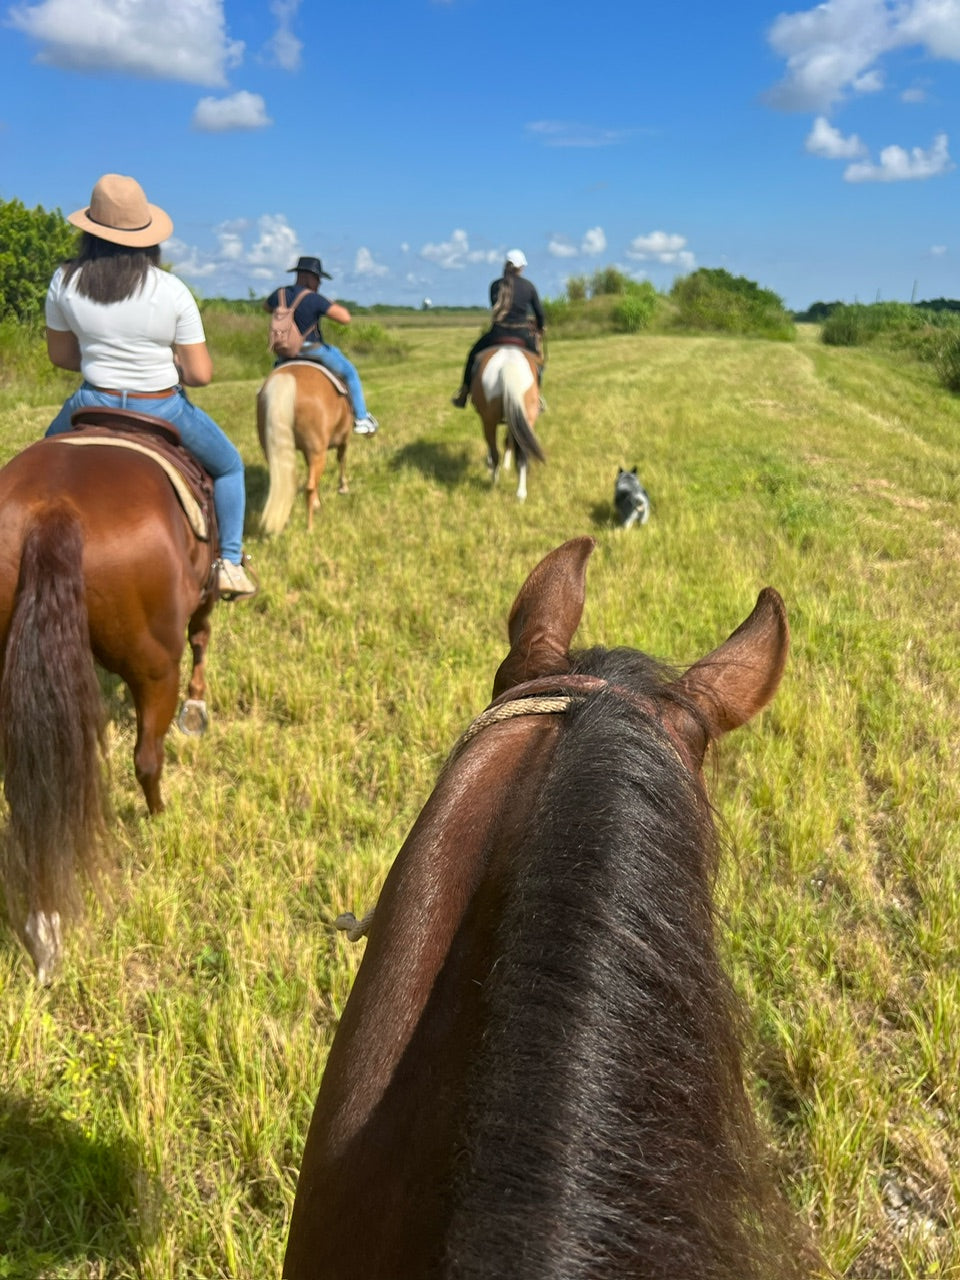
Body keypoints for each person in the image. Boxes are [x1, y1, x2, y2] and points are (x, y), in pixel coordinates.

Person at [44, 173, 258, 601]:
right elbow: (200, 375)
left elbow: (62, 357)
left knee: (40, 461)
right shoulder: (171, 289)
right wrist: (172, 364)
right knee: (231, 466)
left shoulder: (63, 281)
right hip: (161, 407)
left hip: (91, 401)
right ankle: (230, 562)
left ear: (91, 231)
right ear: (146, 235)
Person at [264, 256, 379, 435]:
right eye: (318, 279)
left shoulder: (279, 294)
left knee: (272, 379)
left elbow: (266, 307)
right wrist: (325, 303)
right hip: (312, 350)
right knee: (350, 372)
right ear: (309, 277)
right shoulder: (314, 298)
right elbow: (345, 318)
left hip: (285, 352)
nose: (319, 283)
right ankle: (362, 418)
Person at [451, 249, 545, 408]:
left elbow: (500, 309)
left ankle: (464, 392)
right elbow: (540, 314)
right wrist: (540, 328)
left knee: (472, 355)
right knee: (537, 362)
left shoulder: (495, 285)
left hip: (497, 334)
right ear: (521, 267)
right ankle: (537, 396)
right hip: (522, 335)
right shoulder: (529, 287)